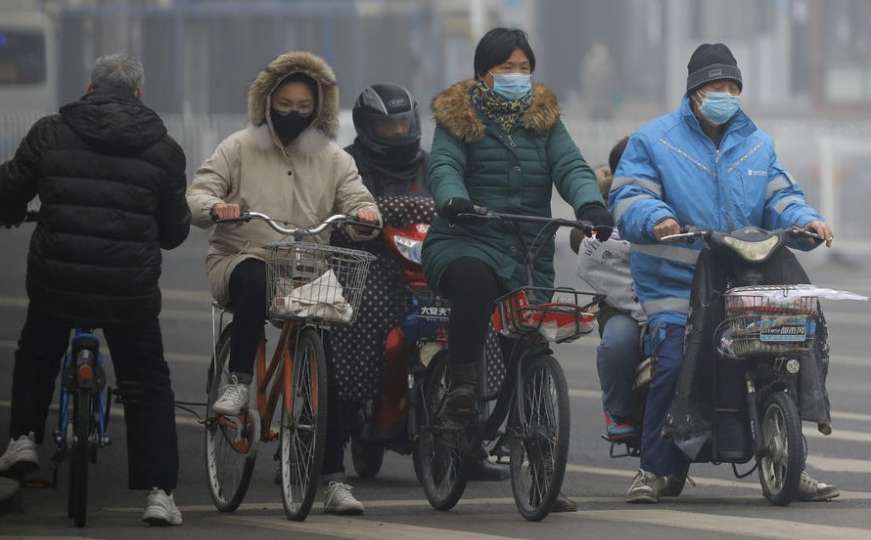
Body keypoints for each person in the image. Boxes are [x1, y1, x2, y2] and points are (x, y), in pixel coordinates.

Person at [611, 42, 839, 504]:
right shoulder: (653, 141)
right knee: (675, 360)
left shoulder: (757, 144)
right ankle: (654, 469)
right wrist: (657, 218)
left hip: (745, 281)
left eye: (731, 86)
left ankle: (791, 461)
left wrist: (806, 220)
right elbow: (629, 196)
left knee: (789, 353)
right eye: (715, 86)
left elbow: (780, 197)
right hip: (677, 287)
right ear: (695, 91)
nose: (725, 94)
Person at [421, 27, 613, 511]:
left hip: (526, 248)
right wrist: (453, 199)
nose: (517, 76)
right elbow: (443, 165)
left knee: (528, 346)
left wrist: (590, 205)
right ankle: (462, 386)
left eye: (524, 68)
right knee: (475, 282)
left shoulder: (544, 120)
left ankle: (542, 474)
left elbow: (570, 165)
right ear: (483, 73)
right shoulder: (458, 117)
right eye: (506, 68)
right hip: (465, 236)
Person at [186, 51, 381, 515]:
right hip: (241, 256)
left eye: (303, 105)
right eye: (285, 102)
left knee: (325, 372)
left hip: (307, 267)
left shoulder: (334, 158)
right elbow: (199, 192)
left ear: (319, 109)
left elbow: (357, 200)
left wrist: (365, 215)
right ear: (267, 101)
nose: (293, 112)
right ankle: (237, 383)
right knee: (253, 279)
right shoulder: (238, 147)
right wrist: (217, 207)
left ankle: (333, 479)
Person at [0, 53, 190, 525]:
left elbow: (12, 186)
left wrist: (10, 212)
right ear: (139, 93)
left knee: (38, 350)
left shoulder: (49, 131)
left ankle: (22, 437)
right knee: (147, 382)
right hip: (129, 287)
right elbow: (173, 231)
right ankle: (160, 492)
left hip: (57, 280)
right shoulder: (164, 148)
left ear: (89, 88)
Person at [330, 83, 508, 483]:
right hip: (375, 263)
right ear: (365, 126)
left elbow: (458, 198)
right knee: (358, 320)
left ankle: (472, 440)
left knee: (481, 319)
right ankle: (340, 426)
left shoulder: (431, 165)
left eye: (402, 124)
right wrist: (372, 219)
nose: (397, 132)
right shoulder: (347, 164)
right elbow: (336, 216)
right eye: (386, 126)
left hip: (430, 263)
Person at [571, 137, 644, 439]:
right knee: (618, 343)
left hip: (678, 301)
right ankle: (618, 410)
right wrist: (595, 235)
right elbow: (579, 236)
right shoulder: (606, 204)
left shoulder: (679, 195)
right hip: (622, 306)